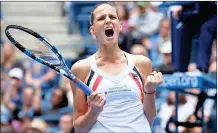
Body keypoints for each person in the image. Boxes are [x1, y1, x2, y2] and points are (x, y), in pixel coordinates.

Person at [70, 3, 163, 132]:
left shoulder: (142, 63)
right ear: (93, 30)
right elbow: (79, 128)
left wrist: (150, 91)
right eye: (101, 18)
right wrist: (93, 112)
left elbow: (150, 117)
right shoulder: (81, 68)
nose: (108, 20)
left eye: (112, 17)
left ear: (120, 26)